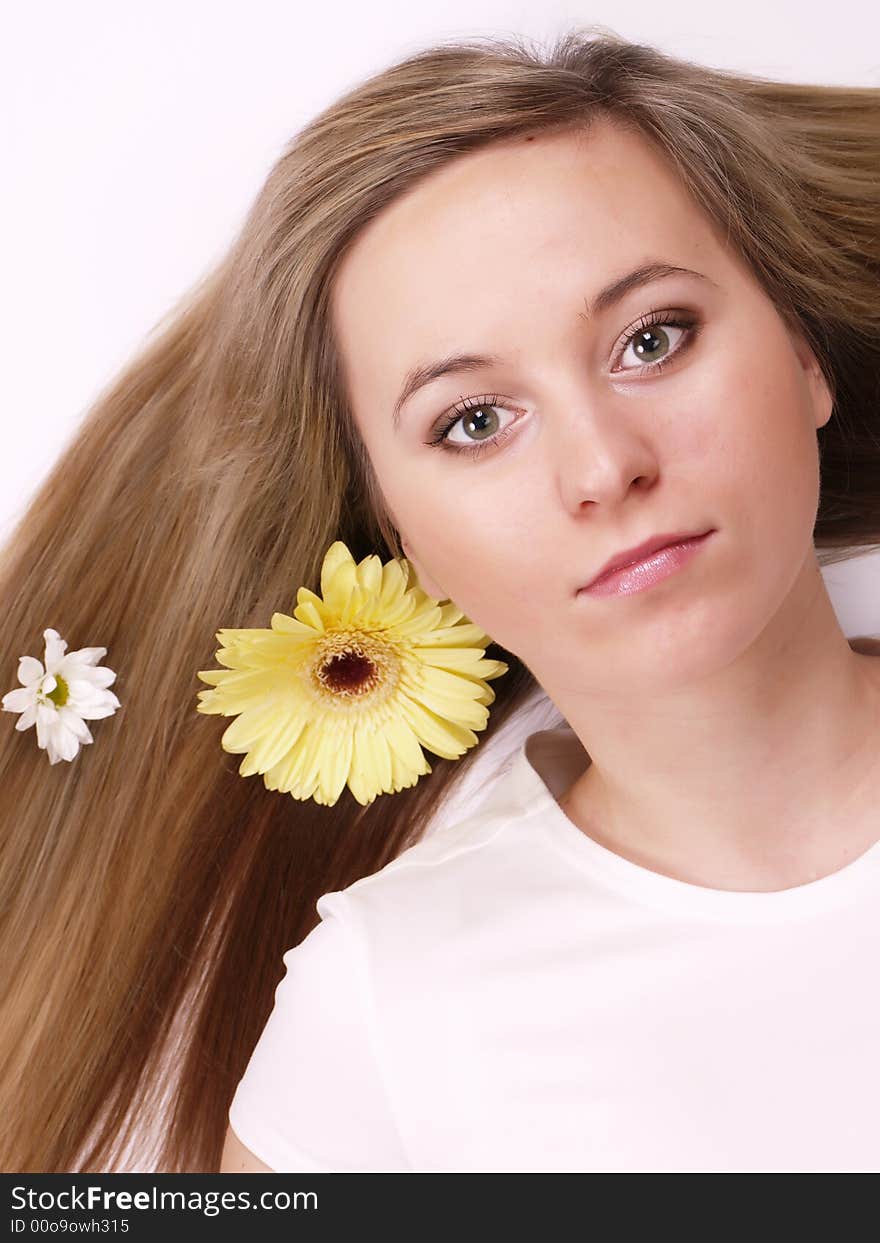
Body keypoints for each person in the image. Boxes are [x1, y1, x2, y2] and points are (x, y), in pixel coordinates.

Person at [1, 28, 878, 1174]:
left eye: (651, 340)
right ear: (405, 545)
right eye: (473, 421)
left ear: (803, 356)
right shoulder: (387, 1009)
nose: (603, 466)